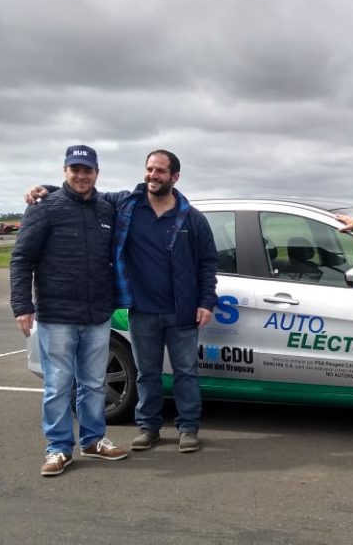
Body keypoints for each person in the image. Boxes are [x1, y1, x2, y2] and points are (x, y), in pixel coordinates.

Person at [29, 151, 218, 453]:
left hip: (182, 311)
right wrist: (47, 190)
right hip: (141, 309)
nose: (153, 175)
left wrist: (206, 302)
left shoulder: (192, 218)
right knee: (147, 374)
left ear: (175, 177)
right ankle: (149, 427)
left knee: (186, 372)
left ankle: (188, 428)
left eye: (160, 171)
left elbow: (208, 263)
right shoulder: (127, 205)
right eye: (149, 169)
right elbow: (85, 192)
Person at [10, 145, 128, 476]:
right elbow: (22, 258)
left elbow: (137, 196)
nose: (81, 175)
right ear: (65, 171)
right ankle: (58, 448)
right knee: (58, 384)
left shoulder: (106, 208)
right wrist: (22, 305)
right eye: (75, 169)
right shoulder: (44, 207)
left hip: (97, 314)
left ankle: (93, 440)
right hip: (56, 314)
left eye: (87, 170)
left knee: (92, 383)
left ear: (96, 173)